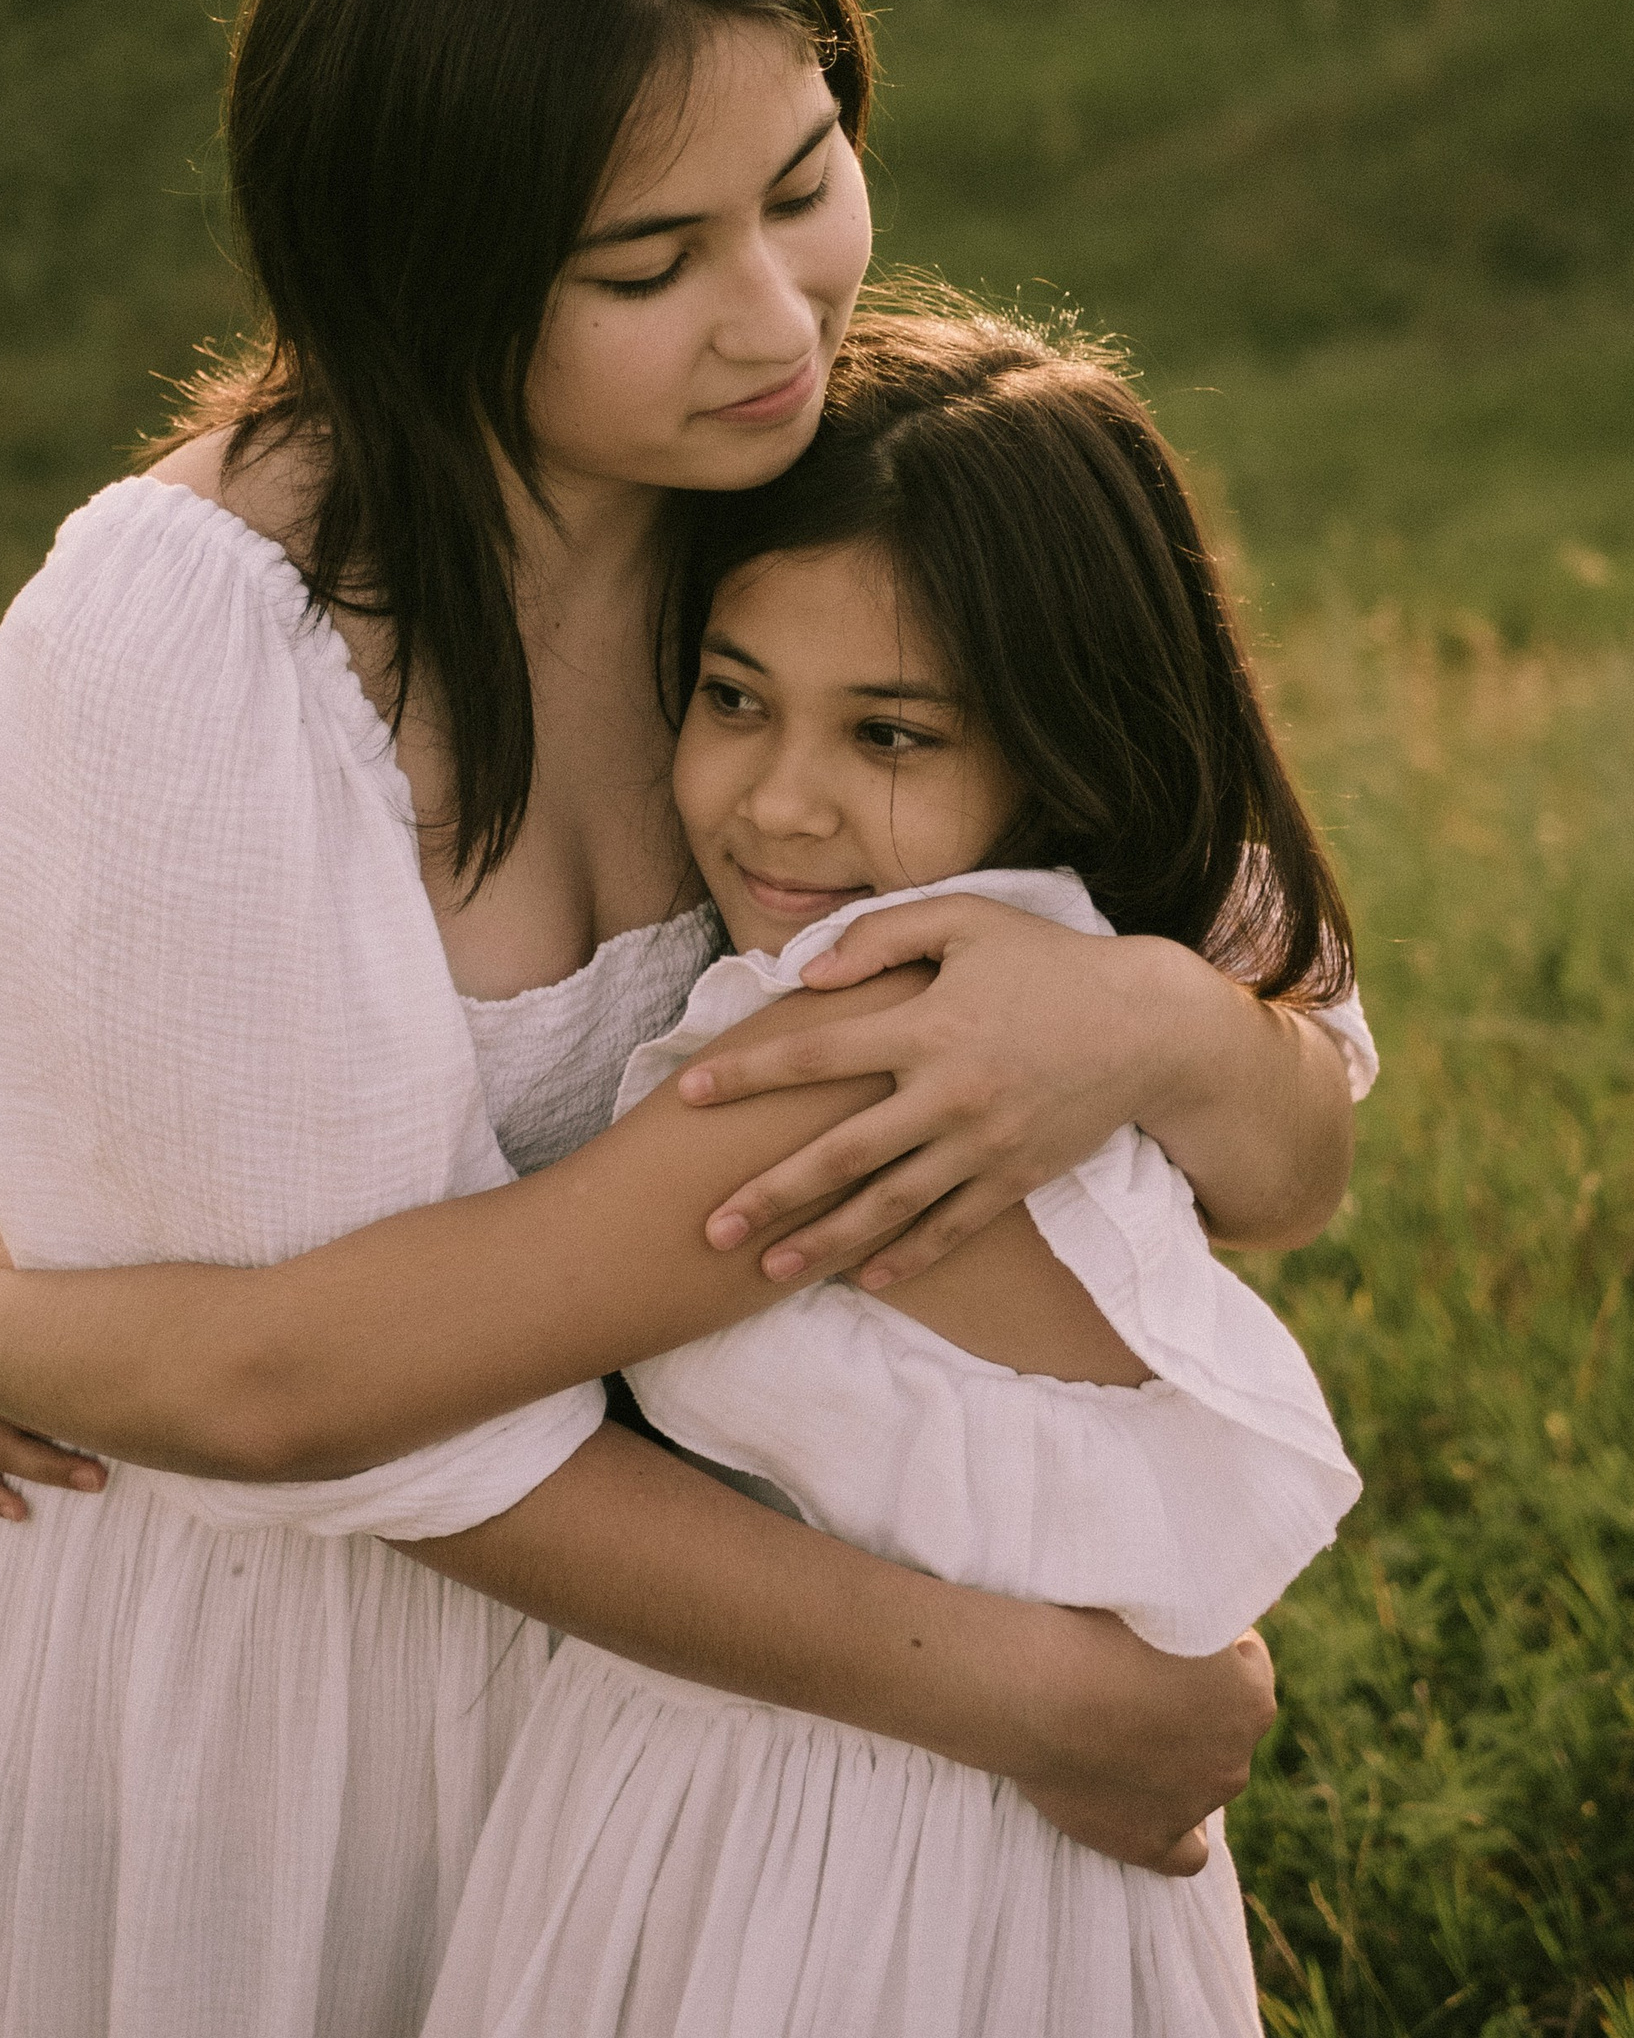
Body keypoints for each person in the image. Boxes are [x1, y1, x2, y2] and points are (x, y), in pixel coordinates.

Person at [0, 0, 1368, 2038]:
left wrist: (1135, 1020)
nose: (773, 315)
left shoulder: (822, 509)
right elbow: (292, 1387)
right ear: (421, 266)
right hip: (295, 1726)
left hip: (735, 1768)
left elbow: (1282, 1088)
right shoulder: (185, 648)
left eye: (806, 174)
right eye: (647, 260)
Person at [418, 300, 1362, 2037]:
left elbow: (367, 1374)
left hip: (831, 1863)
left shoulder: (851, 1060)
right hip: (939, 1812)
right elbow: (1301, 1141)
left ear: (1060, 743)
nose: (780, 802)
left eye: (892, 735)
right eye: (732, 697)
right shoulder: (1056, 968)